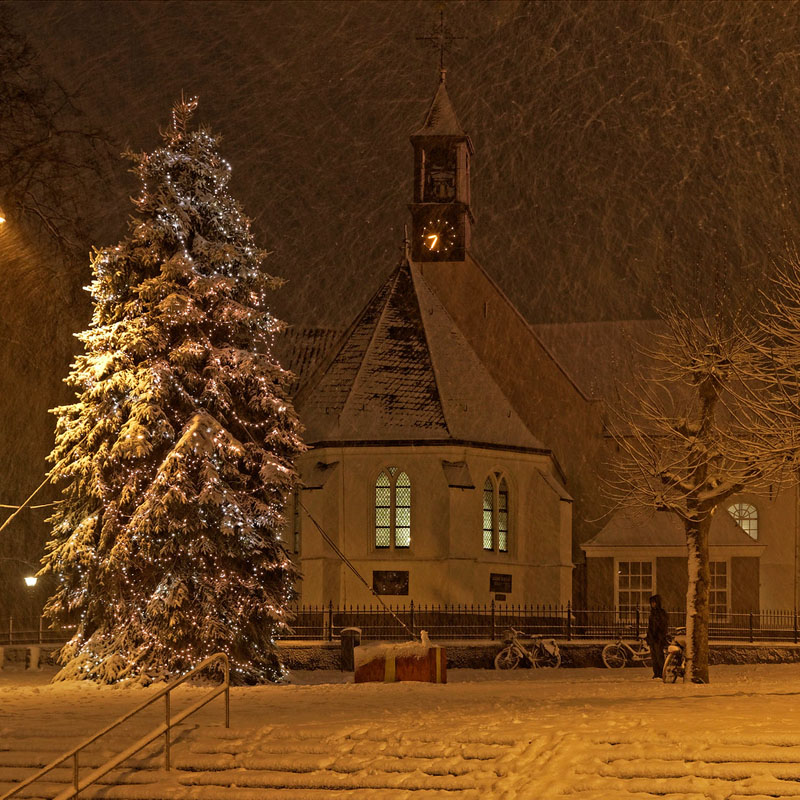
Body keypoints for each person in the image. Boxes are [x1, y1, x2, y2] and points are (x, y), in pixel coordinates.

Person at [646, 594, 669, 679]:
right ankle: (656, 673)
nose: (652, 604)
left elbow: (663, 627)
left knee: (659, 656)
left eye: (654, 602)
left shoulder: (661, 613)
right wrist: (649, 636)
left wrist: (659, 636)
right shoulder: (652, 614)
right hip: (653, 638)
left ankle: (662, 672)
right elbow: (650, 627)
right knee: (654, 657)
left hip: (658, 638)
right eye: (651, 603)